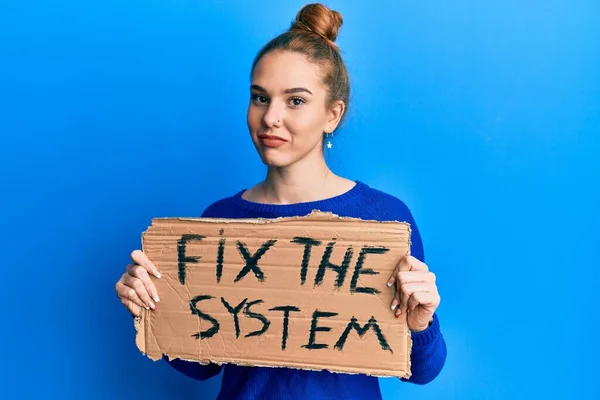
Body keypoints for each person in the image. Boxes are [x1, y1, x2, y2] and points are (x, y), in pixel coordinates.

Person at [115, 3, 446, 399]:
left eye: (295, 101)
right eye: (259, 97)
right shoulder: (220, 221)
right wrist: (152, 308)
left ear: (332, 115)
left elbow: (422, 371)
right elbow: (200, 365)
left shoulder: (384, 221)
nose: (270, 117)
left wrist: (420, 322)